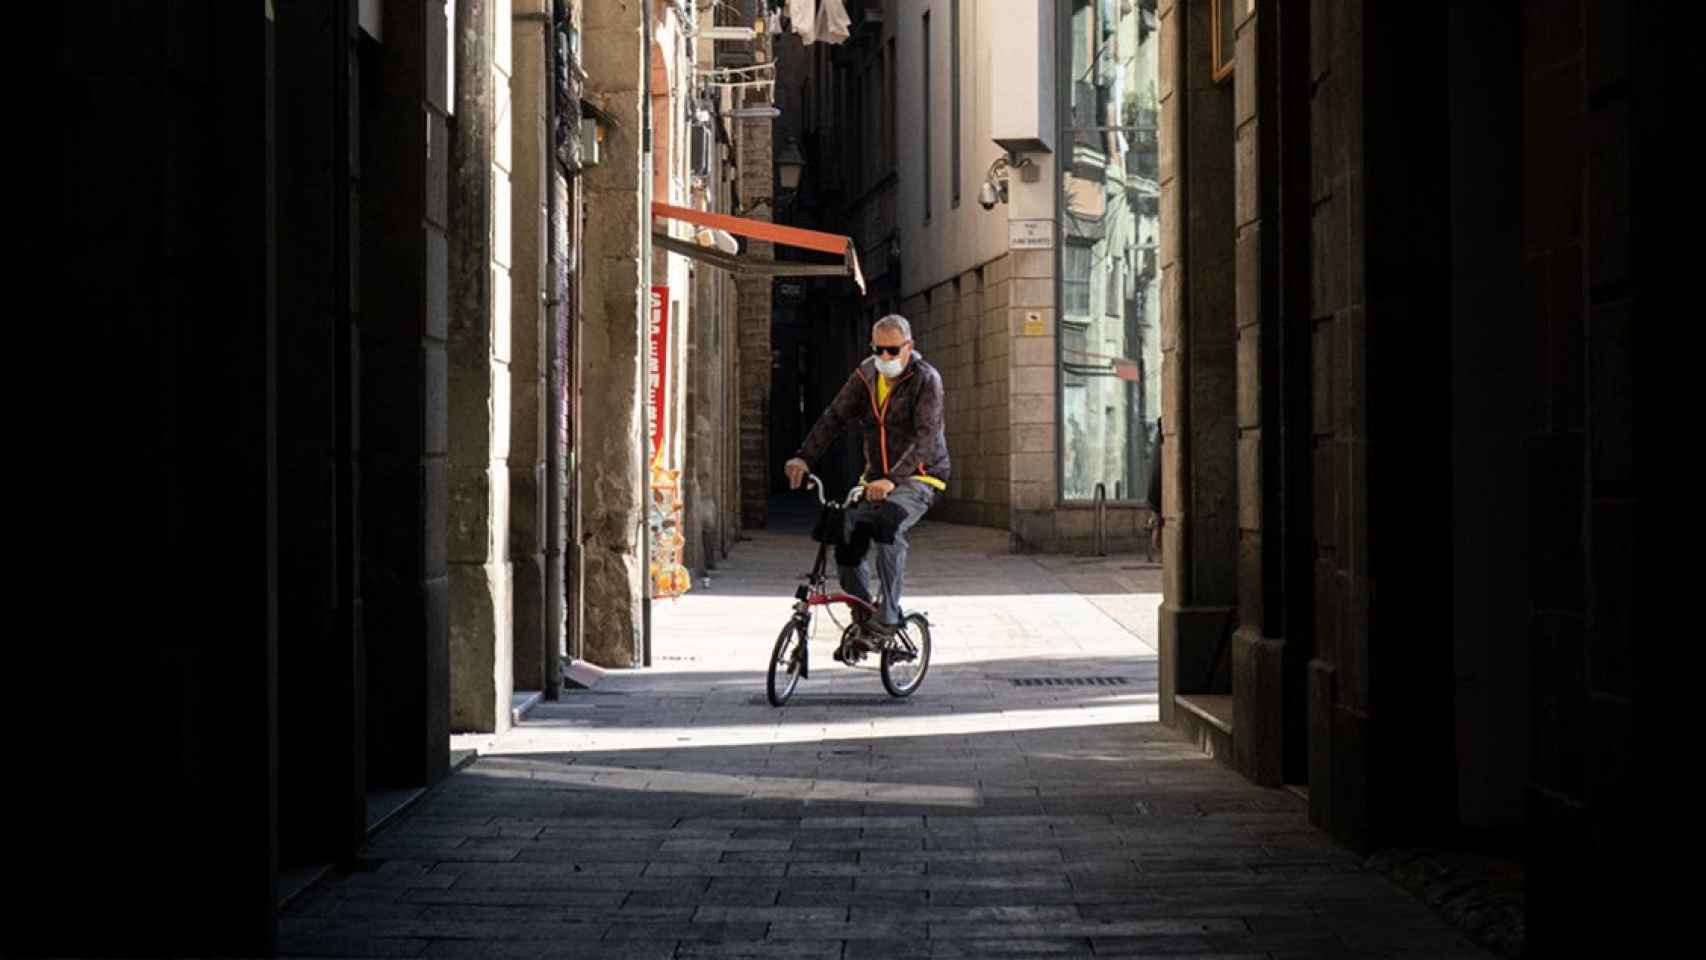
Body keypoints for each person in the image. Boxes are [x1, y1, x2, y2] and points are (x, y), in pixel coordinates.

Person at [784, 314, 949, 641]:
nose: (885, 357)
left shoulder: (926, 379)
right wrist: (804, 456)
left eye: (892, 350)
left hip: (921, 476)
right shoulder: (866, 376)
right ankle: (863, 614)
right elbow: (834, 417)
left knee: (888, 525)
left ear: (908, 347)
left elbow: (926, 438)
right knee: (843, 535)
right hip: (874, 478)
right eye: (879, 350)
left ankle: (888, 615)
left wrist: (892, 479)